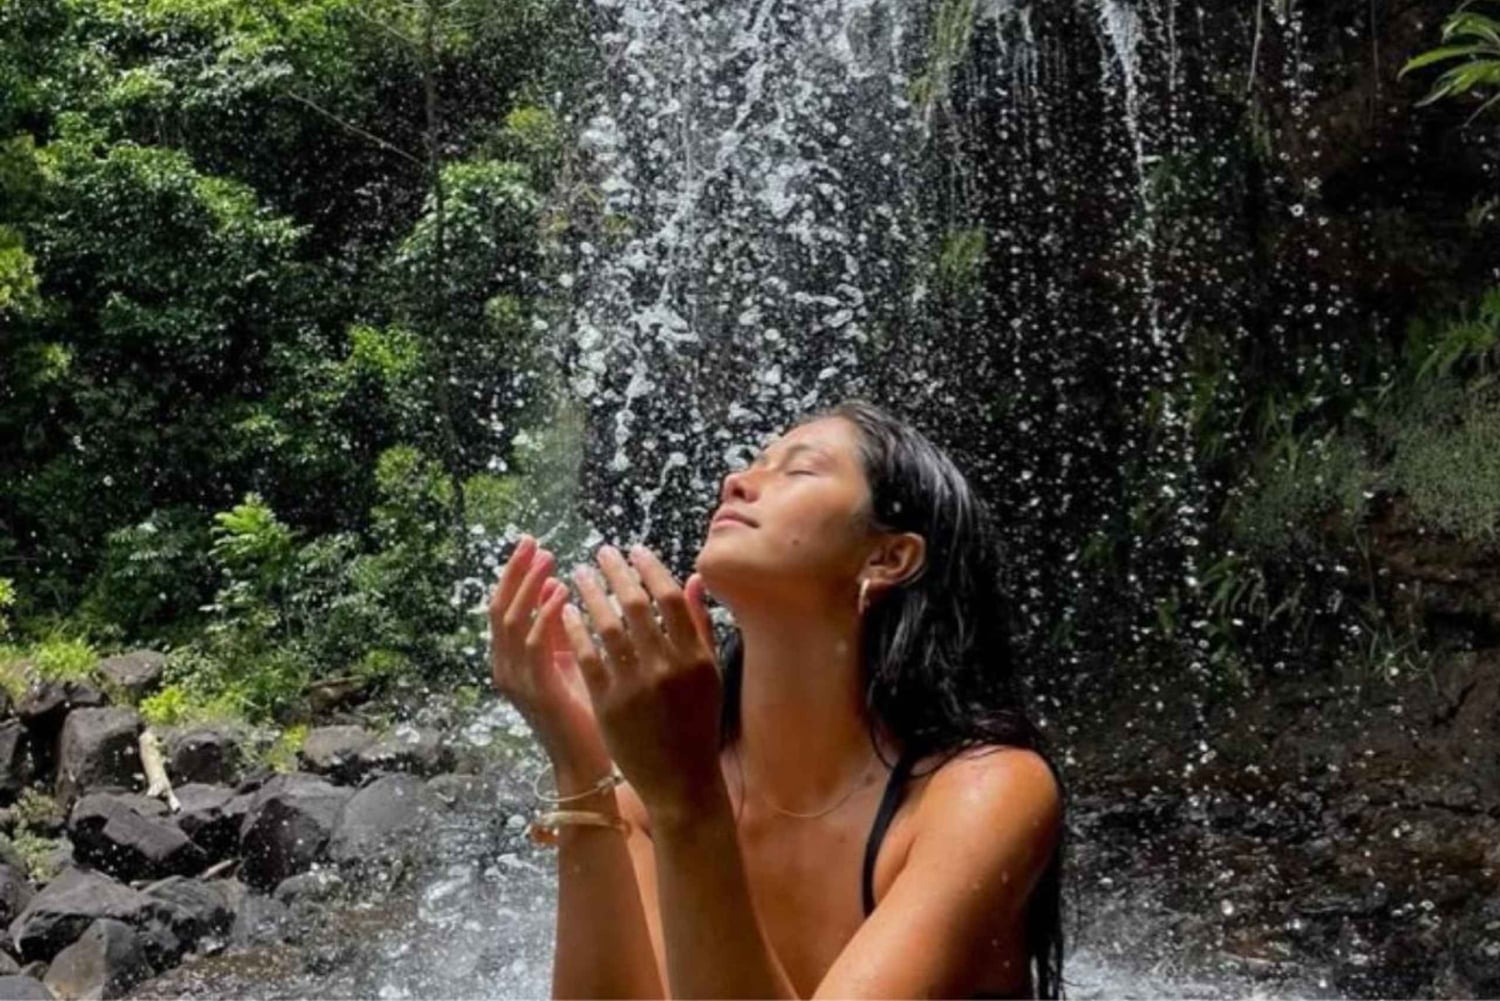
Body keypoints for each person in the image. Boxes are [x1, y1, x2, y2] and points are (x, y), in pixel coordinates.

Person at [489, 398, 1066, 999]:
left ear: (888, 556)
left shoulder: (982, 792)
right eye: (754, 463)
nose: (736, 481)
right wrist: (579, 759)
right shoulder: (651, 794)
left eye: (799, 469)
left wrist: (689, 799)